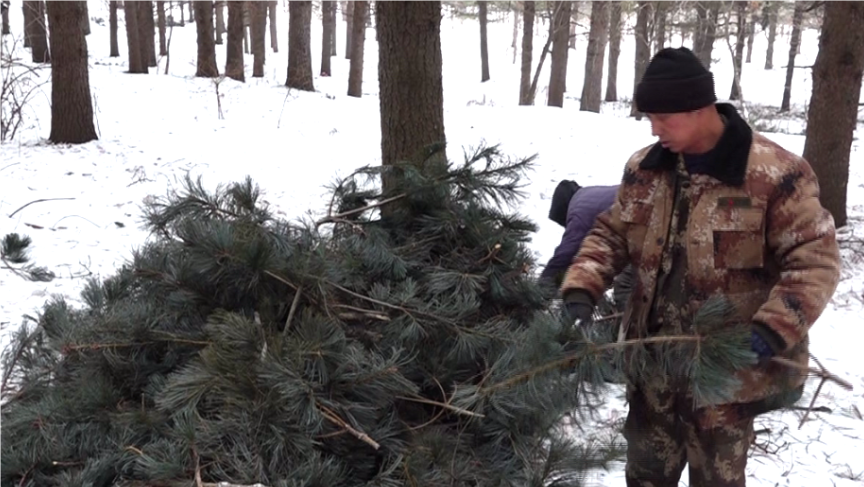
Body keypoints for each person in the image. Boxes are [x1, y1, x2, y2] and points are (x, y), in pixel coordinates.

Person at [559, 47, 841, 487]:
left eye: (664, 119)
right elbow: (611, 235)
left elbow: (814, 262)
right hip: (653, 366)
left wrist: (772, 329)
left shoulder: (774, 174)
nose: (654, 129)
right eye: (649, 119)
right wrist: (581, 287)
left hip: (726, 377)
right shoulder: (644, 168)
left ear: (700, 108)